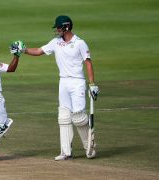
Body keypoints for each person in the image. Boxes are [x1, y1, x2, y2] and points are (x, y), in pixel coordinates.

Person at [15, 15, 99, 160]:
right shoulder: (56, 42)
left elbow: (88, 63)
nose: (57, 30)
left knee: (78, 117)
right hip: (63, 82)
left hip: (77, 82)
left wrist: (92, 84)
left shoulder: (80, 43)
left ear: (66, 27)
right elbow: (39, 51)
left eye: (59, 28)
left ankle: (89, 147)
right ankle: (66, 152)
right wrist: (23, 49)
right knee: (64, 117)